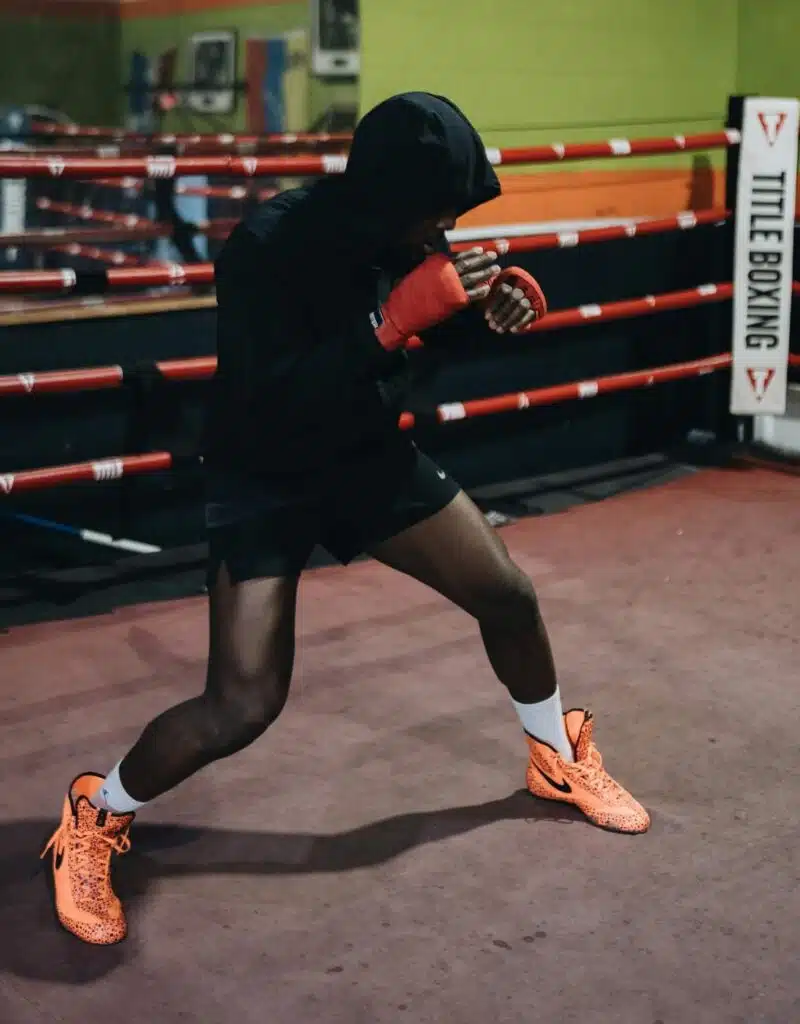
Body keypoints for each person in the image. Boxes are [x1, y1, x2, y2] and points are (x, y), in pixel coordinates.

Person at [42, 92, 650, 946]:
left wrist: (481, 317)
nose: (444, 225)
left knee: (506, 594)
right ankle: (94, 812)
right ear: (392, 198)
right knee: (244, 702)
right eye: (436, 212)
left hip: (362, 456)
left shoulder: (406, 231)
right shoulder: (267, 246)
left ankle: (554, 754)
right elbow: (268, 397)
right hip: (264, 471)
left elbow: (426, 340)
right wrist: (388, 323)